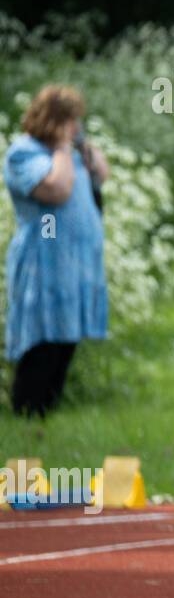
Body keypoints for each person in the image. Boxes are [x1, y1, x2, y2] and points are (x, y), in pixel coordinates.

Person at [4, 85, 110, 417]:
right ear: (53, 120)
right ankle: (27, 409)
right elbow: (57, 191)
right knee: (43, 332)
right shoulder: (24, 152)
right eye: (70, 121)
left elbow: (101, 176)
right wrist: (63, 149)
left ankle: (49, 407)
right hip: (44, 259)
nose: (76, 127)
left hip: (75, 260)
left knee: (67, 332)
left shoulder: (72, 150)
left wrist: (82, 147)